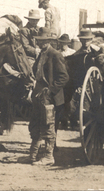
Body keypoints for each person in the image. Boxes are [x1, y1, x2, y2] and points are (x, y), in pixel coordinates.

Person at [27, 28, 69, 166]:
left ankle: (48, 156)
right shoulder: (41, 54)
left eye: (43, 41)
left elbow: (64, 77)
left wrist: (50, 91)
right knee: (35, 124)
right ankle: (33, 155)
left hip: (50, 97)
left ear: (49, 41)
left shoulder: (55, 55)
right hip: (39, 96)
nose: (40, 43)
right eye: (39, 41)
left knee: (48, 126)